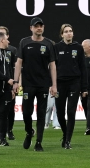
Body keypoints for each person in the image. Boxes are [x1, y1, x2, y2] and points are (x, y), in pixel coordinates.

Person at [12, 17, 57, 152]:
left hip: (43, 84)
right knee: (26, 112)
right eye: (36, 26)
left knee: (42, 113)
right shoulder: (24, 42)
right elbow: (19, 63)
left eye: (41, 26)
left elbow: (53, 66)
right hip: (28, 84)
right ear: (31, 28)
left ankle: (38, 142)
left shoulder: (49, 44)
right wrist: (15, 82)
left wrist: (54, 85)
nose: (39, 28)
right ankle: (29, 131)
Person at [54, 24, 87, 149]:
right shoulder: (56, 47)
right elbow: (52, 67)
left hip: (74, 83)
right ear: (62, 34)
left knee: (71, 112)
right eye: (66, 31)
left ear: (73, 33)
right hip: (60, 83)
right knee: (60, 113)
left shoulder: (78, 48)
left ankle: (67, 140)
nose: (69, 33)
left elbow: (83, 68)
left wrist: (84, 88)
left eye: (70, 31)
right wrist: (52, 84)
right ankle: (65, 133)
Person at [0, 26, 18, 140]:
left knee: (10, 108)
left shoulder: (12, 50)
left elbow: (16, 67)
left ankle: (9, 130)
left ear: (7, 36)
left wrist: (16, 83)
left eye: (3, 33)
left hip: (10, 83)